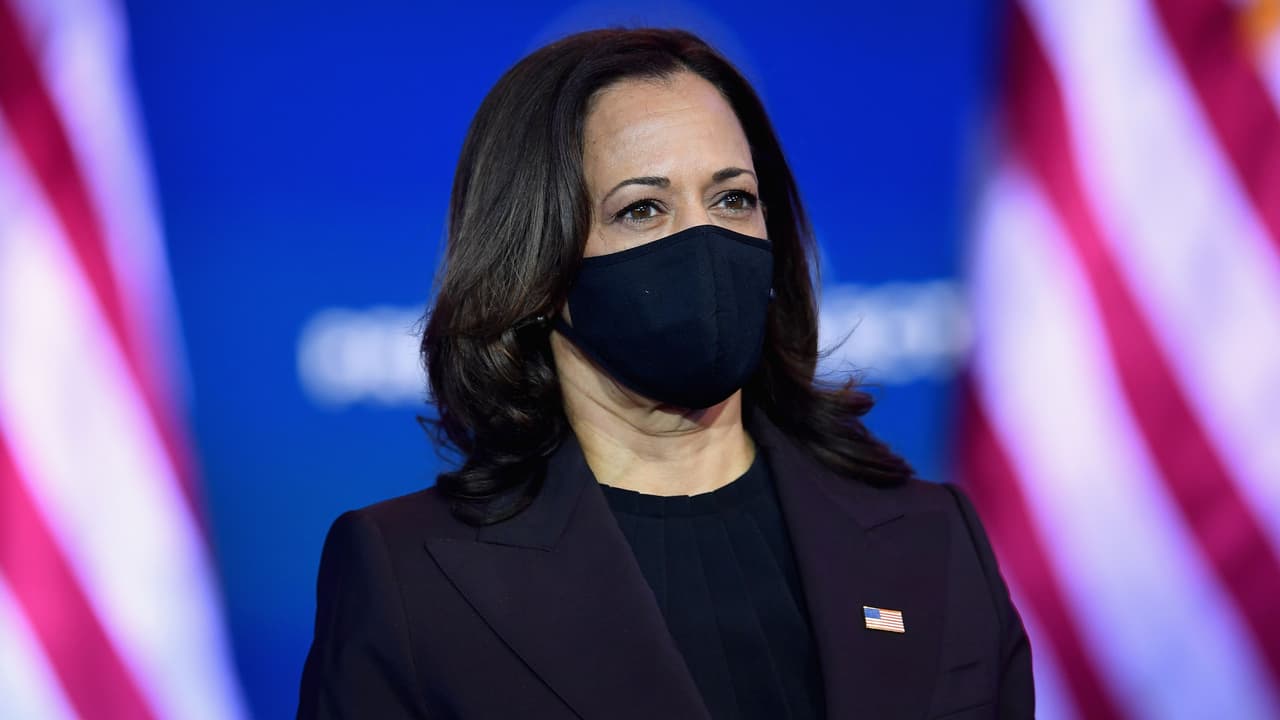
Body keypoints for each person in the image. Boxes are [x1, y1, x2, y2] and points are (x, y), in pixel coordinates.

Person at [297, 27, 1033, 720]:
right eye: (643, 209)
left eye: (732, 199)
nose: (703, 243)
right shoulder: (408, 579)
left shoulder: (935, 538)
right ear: (536, 267)